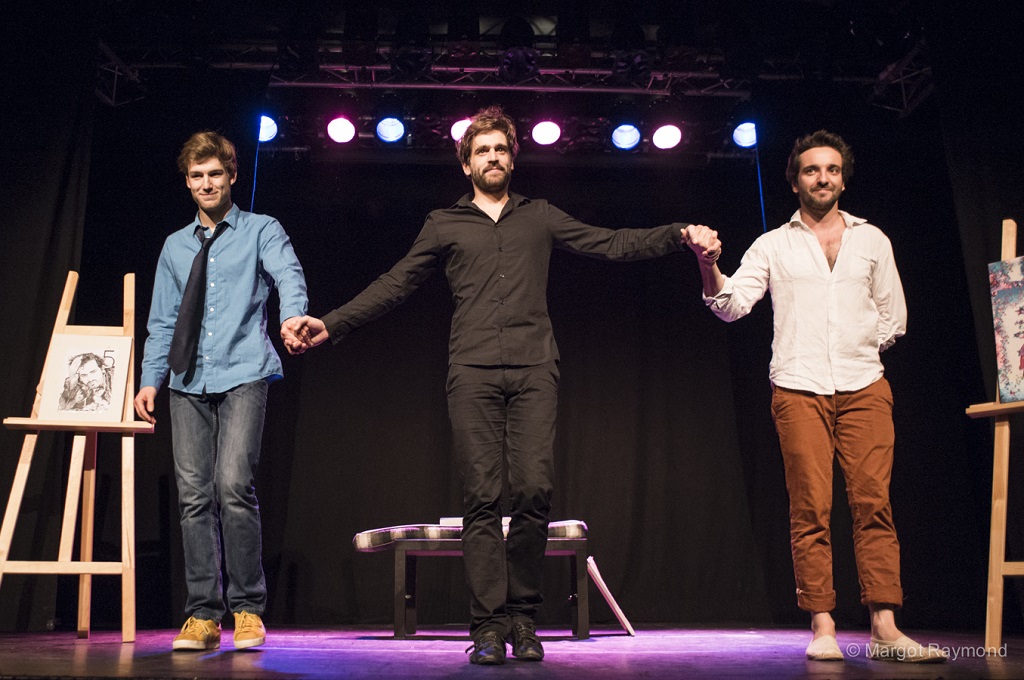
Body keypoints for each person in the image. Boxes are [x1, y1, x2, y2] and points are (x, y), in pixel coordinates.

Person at [282, 106, 704, 665]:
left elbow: (610, 243)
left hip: (534, 369)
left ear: (513, 158)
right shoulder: (443, 224)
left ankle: (522, 620)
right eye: (482, 151)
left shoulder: (541, 216)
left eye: (501, 149)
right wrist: (330, 323)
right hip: (473, 371)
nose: (493, 158)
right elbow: (395, 284)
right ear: (466, 164)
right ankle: (486, 627)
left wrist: (677, 234)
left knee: (533, 491)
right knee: (481, 497)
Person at [685, 130, 947, 663]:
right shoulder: (773, 244)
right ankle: (823, 625)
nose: (822, 178)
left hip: (864, 386)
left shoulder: (871, 240)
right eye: (811, 170)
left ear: (843, 178)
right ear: (795, 180)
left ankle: (885, 626)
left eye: (831, 169)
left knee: (874, 504)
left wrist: (852, 348)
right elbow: (729, 305)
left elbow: (893, 316)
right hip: (798, 388)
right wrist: (706, 261)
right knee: (811, 508)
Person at [134, 131, 308, 651]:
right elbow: (163, 319)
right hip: (186, 379)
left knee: (232, 485)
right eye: (196, 176)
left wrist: (295, 311)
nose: (207, 183)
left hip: (243, 372)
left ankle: (248, 609)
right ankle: (203, 616)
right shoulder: (175, 245)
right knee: (193, 496)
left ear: (232, 175)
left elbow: (287, 273)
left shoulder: (260, 229)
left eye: (215, 173)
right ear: (187, 183)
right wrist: (150, 379)